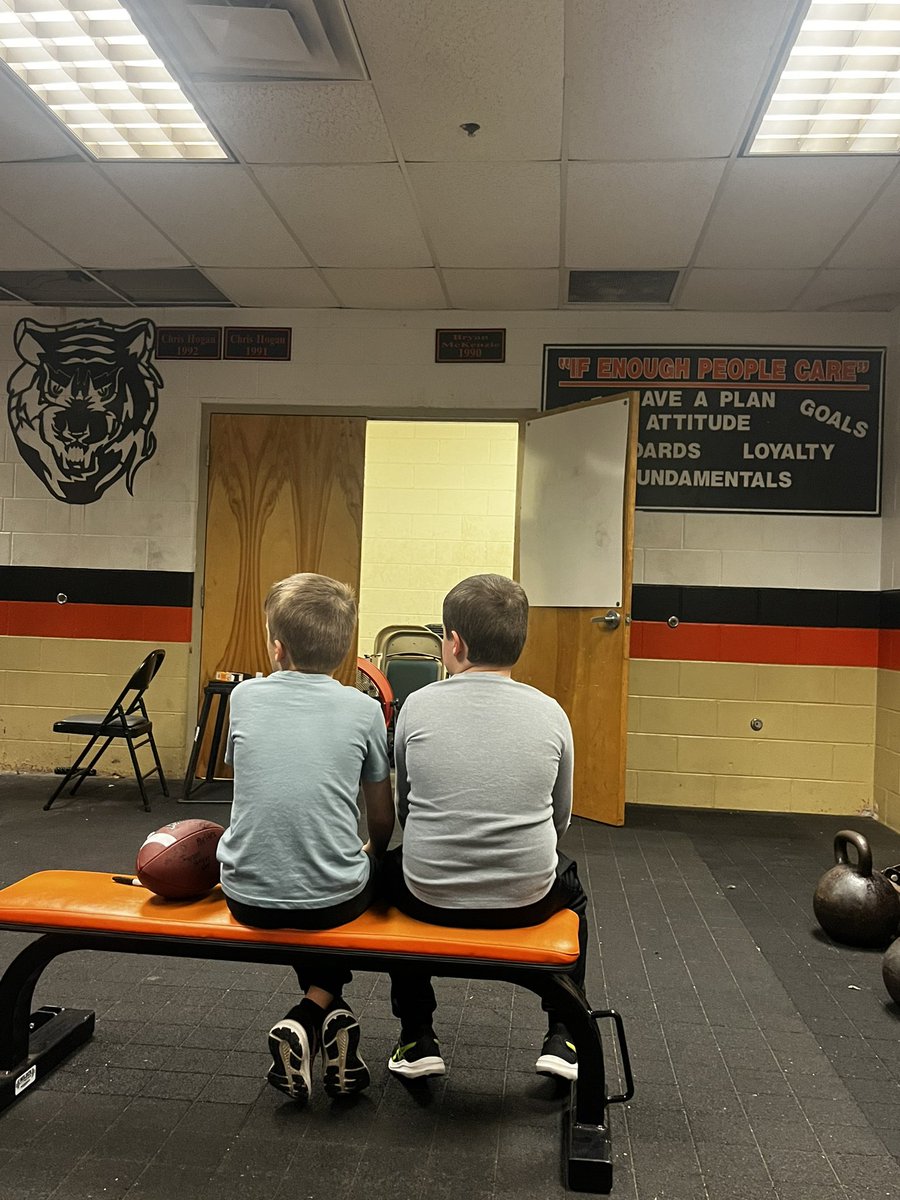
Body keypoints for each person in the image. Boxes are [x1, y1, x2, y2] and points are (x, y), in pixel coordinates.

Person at [384, 573, 588, 1082]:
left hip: (429, 896)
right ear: (519, 642)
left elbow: (405, 807)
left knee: (389, 877)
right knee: (575, 895)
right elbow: (560, 818)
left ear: (454, 643)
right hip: (527, 898)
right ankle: (564, 1035)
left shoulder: (418, 705)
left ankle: (416, 1037)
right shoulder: (551, 713)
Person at [217, 572, 393, 1104]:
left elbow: (247, 776)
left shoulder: (243, 697)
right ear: (345, 650)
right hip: (332, 901)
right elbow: (381, 818)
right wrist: (372, 854)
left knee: (304, 878)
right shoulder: (364, 710)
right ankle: (312, 1011)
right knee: (350, 884)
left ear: (277, 648)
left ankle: (319, 1015)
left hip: (245, 894)